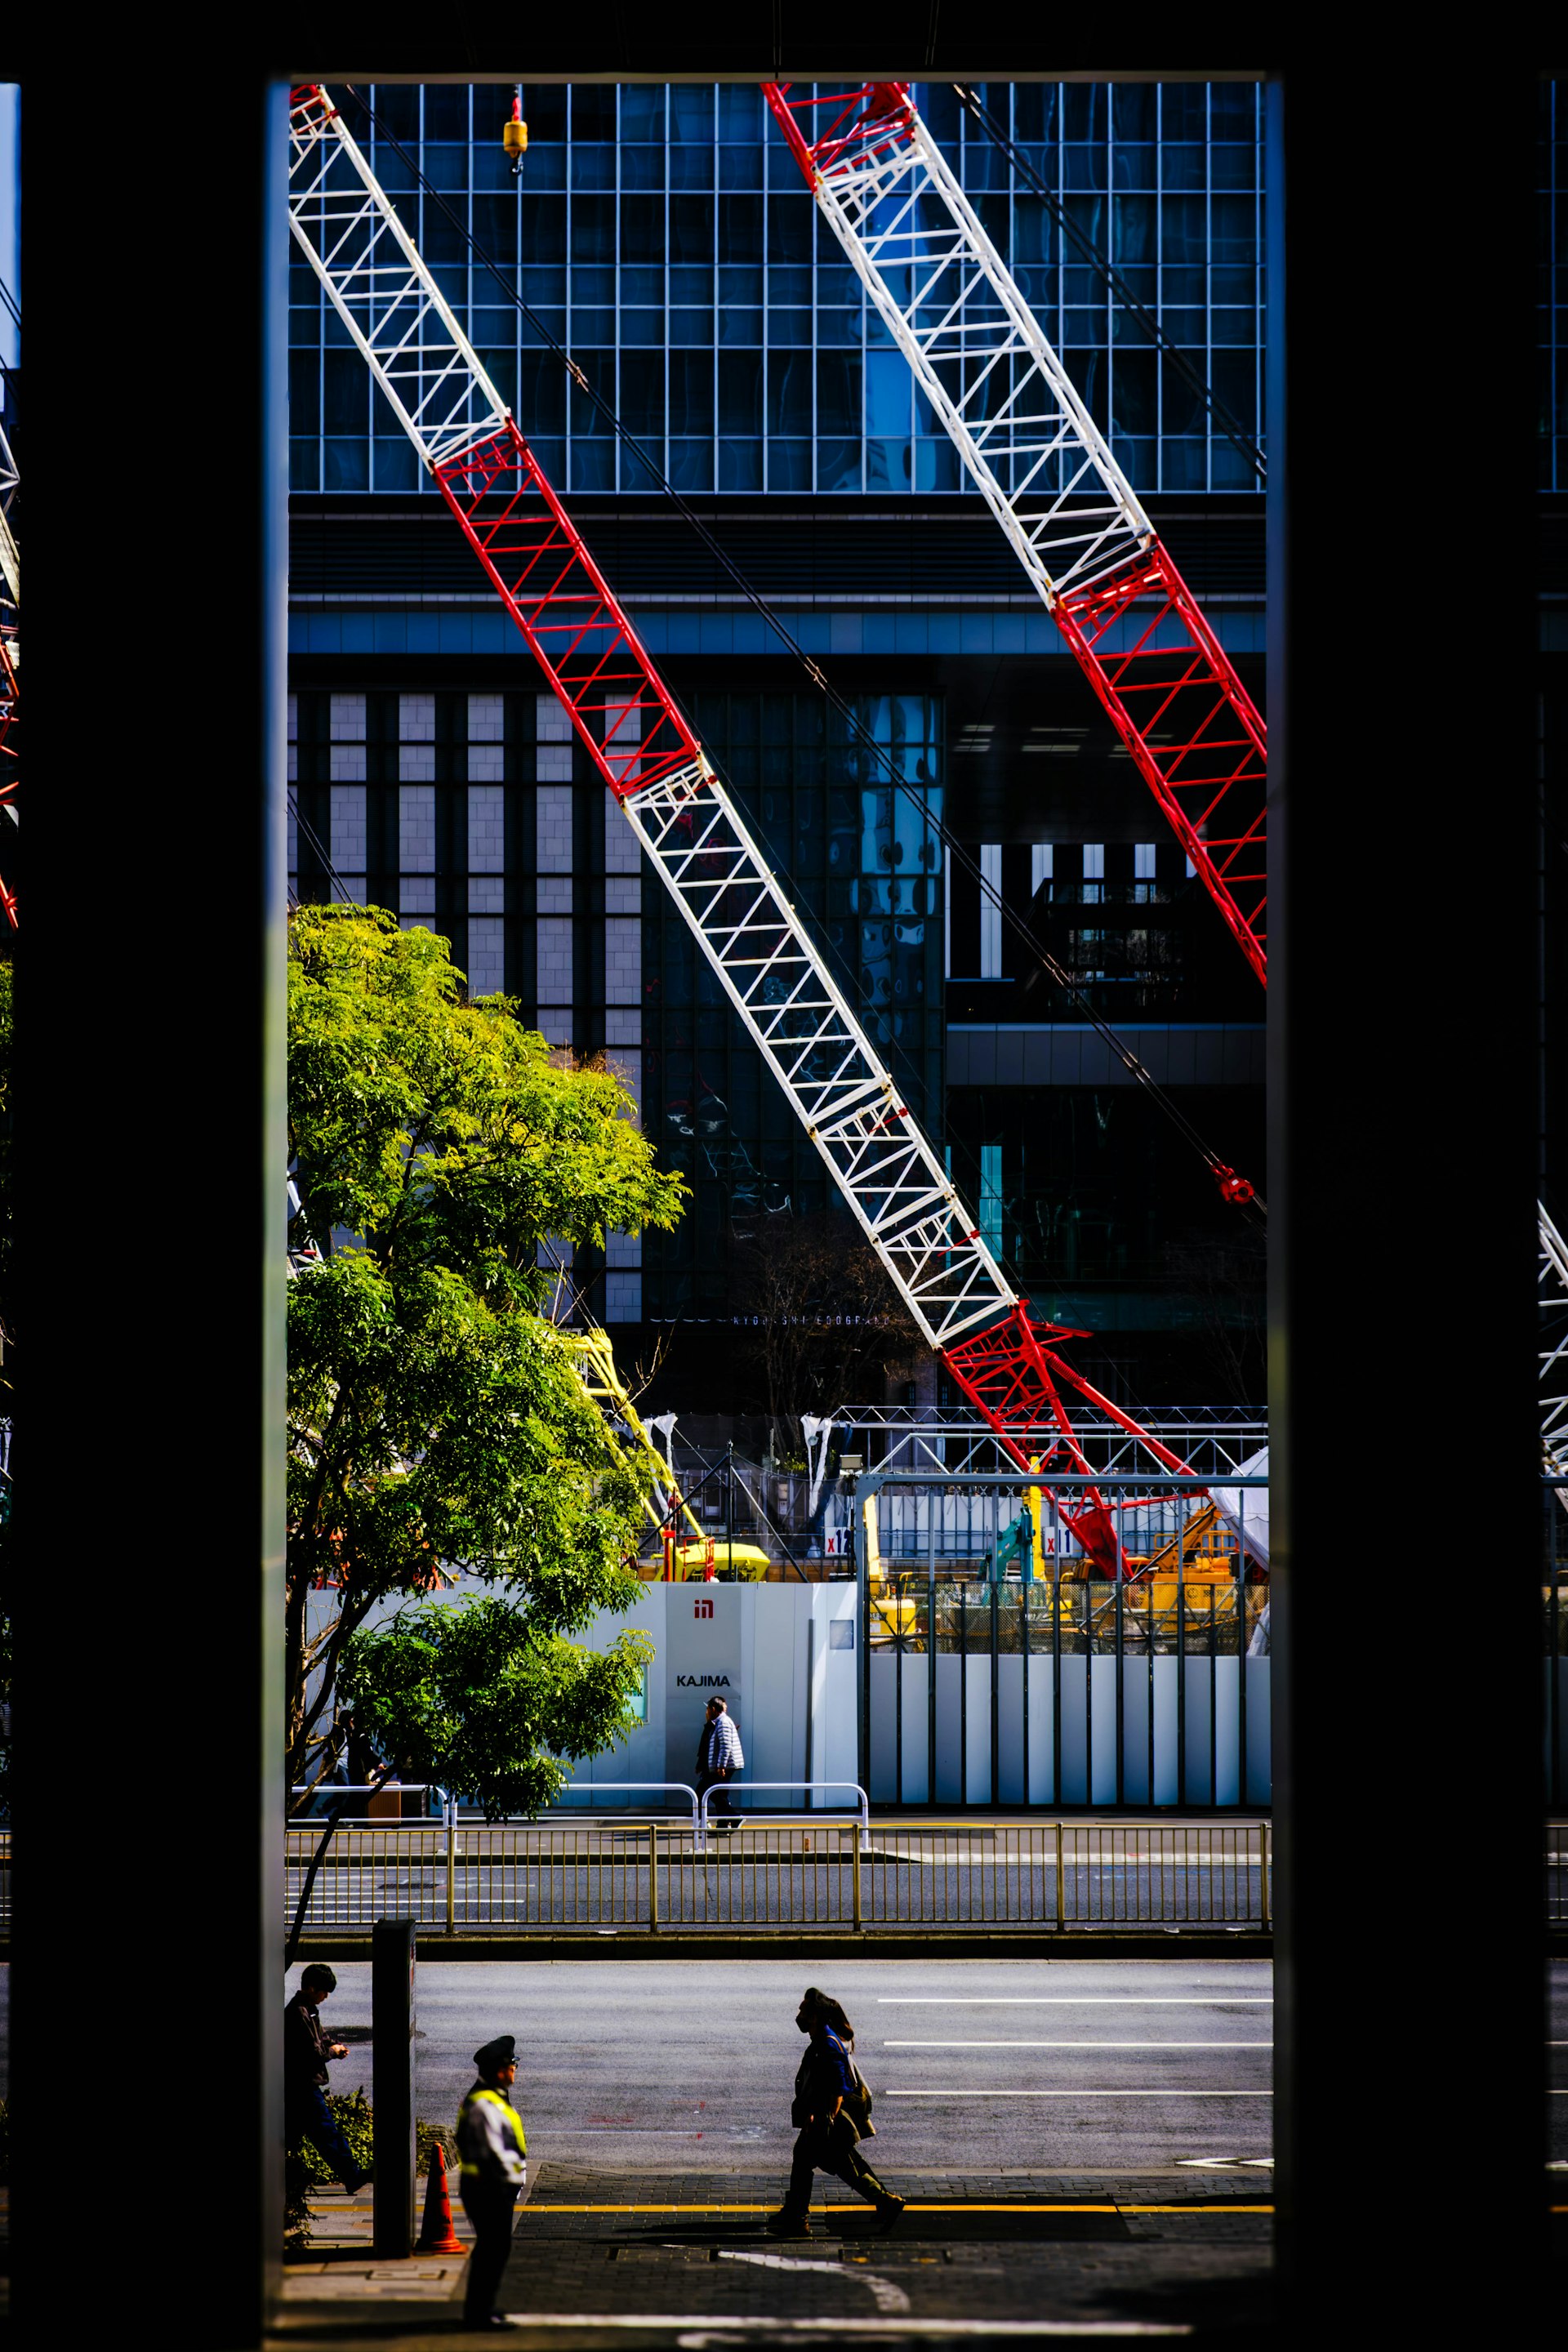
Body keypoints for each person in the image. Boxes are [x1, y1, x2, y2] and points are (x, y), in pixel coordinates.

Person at [767, 1987, 904, 2238]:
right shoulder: (823, 2040)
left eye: (803, 2011)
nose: (799, 2015)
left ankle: (798, 2218)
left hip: (825, 2122)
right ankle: (798, 2215)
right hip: (822, 2120)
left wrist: (823, 2119)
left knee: (822, 2164)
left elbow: (837, 2090)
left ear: (816, 2016)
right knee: (843, 2166)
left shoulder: (828, 2045)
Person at [456, 2034, 528, 2332]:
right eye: (512, 2064)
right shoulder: (484, 2105)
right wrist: (512, 2182)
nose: (515, 2069)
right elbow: (492, 2153)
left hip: (493, 2188)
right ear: (500, 2069)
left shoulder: (493, 2097)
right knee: (492, 2249)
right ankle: (479, 2313)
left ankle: (483, 2308)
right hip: (489, 2189)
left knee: (494, 2248)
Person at [283, 1962, 372, 2194]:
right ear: (311, 1988)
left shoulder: (309, 2008)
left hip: (301, 2084)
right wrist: (332, 2051)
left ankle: (286, 2176)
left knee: (293, 2135)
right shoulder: (298, 2013)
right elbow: (314, 2052)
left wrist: (333, 2044)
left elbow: (322, 2037)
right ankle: (352, 2175)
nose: (326, 1996)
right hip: (303, 2084)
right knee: (326, 2131)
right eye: (324, 1991)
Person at [695, 1694, 744, 1836]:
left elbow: (725, 1746)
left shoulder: (723, 1722)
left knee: (710, 1792)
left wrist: (721, 1766)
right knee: (719, 1794)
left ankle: (735, 1819)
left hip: (725, 1766)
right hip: (723, 1765)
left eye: (708, 1709)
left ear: (714, 1709)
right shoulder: (719, 1722)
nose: (707, 1712)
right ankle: (723, 1826)